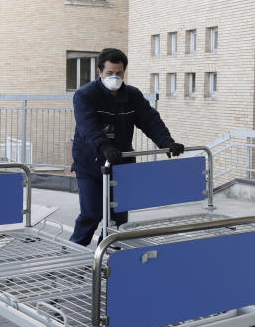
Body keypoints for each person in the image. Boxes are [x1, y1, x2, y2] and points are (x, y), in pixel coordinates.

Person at [70, 47, 184, 246]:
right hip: (90, 164)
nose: (115, 77)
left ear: (124, 72)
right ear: (99, 72)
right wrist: (104, 147)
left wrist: (167, 142)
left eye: (119, 73)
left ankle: (108, 255)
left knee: (119, 218)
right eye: (109, 73)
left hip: (122, 164)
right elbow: (88, 127)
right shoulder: (85, 95)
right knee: (92, 213)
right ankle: (75, 250)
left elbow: (150, 120)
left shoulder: (132, 95)